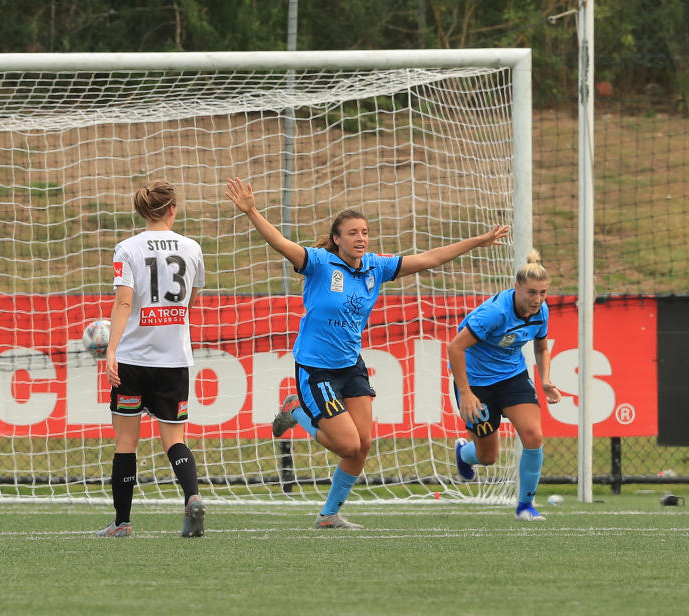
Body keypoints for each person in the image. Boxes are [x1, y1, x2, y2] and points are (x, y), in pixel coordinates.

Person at [226, 177, 508, 529]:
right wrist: (252, 211)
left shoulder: (377, 267)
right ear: (337, 240)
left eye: (365, 232)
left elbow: (430, 259)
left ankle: (328, 516)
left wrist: (478, 241)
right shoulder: (318, 263)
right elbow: (282, 243)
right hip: (316, 370)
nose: (361, 238)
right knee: (347, 445)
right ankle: (296, 411)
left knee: (363, 445)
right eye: (353, 233)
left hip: (351, 366)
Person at [97, 181, 207, 538]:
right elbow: (191, 299)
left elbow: (124, 303)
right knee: (174, 439)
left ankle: (122, 523)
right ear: (172, 208)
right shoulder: (191, 248)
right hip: (174, 358)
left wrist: (111, 350)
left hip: (133, 359)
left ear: (142, 211)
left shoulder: (127, 248)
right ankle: (192, 497)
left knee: (126, 442)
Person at [447, 249, 560, 521]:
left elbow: (542, 346)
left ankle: (525, 507)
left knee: (533, 436)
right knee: (487, 457)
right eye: (531, 292)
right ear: (517, 287)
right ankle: (465, 452)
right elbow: (455, 348)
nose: (537, 299)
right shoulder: (494, 313)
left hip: (512, 378)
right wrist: (466, 393)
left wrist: (544, 379)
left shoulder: (541, 311)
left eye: (543, 292)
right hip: (477, 384)